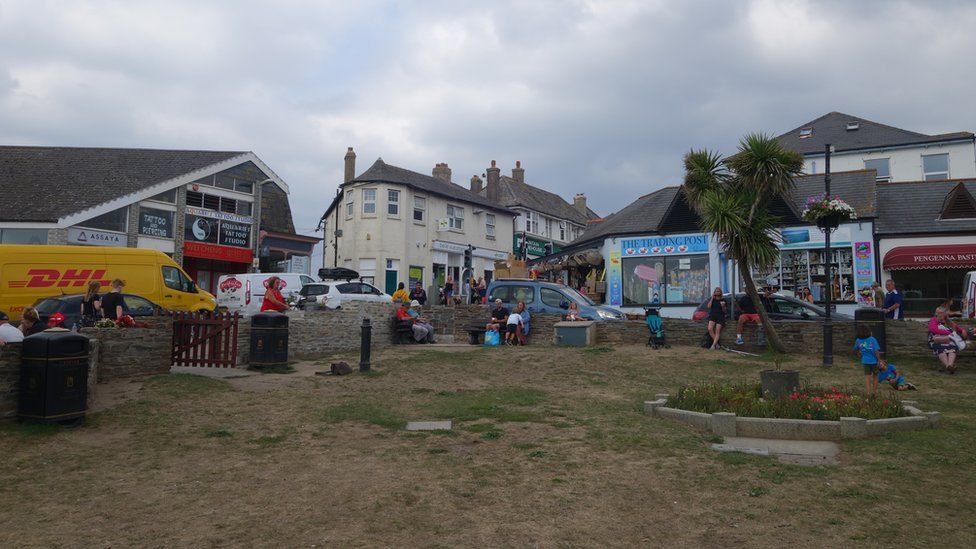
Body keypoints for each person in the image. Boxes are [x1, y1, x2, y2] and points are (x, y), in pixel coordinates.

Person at [928, 306, 961, 374]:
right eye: (938, 313)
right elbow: (933, 330)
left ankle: (949, 365)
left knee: (952, 347)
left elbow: (957, 328)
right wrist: (948, 333)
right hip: (936, 340)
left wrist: (963, 331)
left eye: (942, 313)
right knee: (940, 348)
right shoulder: (933, 320)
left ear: (945, 314)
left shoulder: (948, 321)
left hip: (949, 340)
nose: (940, 314)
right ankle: (948, 366)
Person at [853, 324, 883, 394]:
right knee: (875, 376)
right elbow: (876, 351)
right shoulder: (872, 339)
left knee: (867, 377)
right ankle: (874, 392)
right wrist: (879, 360)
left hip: (865, 361)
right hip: (874, 361)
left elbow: (856, 349)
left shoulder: (858, 340)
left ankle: (868, 393)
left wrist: (859, 355)